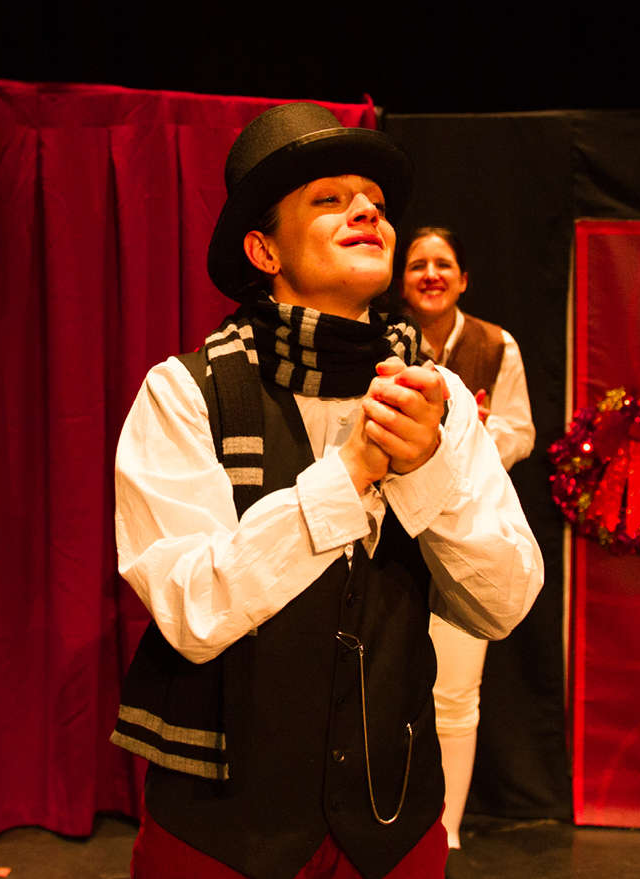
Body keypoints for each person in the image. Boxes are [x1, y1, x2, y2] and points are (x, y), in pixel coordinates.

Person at [111, 102, 542, 879]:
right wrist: (347, 477)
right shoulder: (184, 393)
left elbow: (503, 604)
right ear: (263, 249)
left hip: (392, 830)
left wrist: (427, 471)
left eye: (375, 201)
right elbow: (189, 608)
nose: (368, 211)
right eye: (330, 199)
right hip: (222, 837)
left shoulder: (439, 397)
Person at [401, 226, 533, 850]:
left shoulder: (495, 344)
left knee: (455, 694)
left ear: (463, 278)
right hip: (391, 531)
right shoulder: (377, 337)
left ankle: (445, 828)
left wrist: (474, 434)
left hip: (464, 533)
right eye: (417, 265)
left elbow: (521, 431)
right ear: (401, 281)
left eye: (442, 264)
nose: (430, 274)